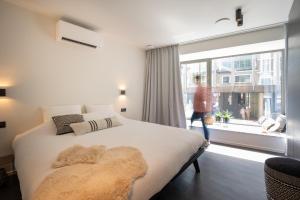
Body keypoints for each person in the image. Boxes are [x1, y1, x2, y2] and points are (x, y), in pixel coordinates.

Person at [191, 75, 212, 145]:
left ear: (198, 80)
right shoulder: (198, 87)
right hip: (198, 109)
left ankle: (206, 139)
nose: (195, 81)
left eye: (196, 79)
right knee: (201, 124)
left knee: (193, 121)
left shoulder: (200, 87)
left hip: (200, 110)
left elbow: (203, 98)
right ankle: (207, 139)